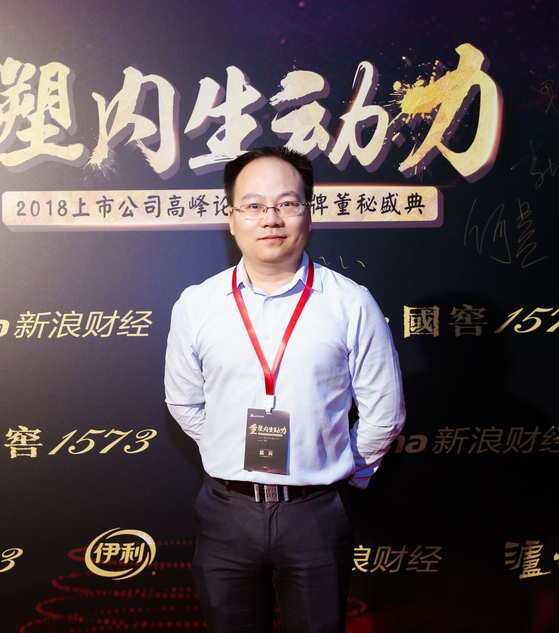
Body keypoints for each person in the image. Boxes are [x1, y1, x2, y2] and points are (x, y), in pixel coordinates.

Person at [164, 146, 406, 632]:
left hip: (315, 516)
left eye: (287, 203)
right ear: (231, 218)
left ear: (309, 213)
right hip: (226, 514)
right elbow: (185, 401)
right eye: (253, 205)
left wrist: (340, 473)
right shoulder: (197, 304)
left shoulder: (351, 303)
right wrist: (228, 448)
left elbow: (385, 412)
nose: (270, 218)